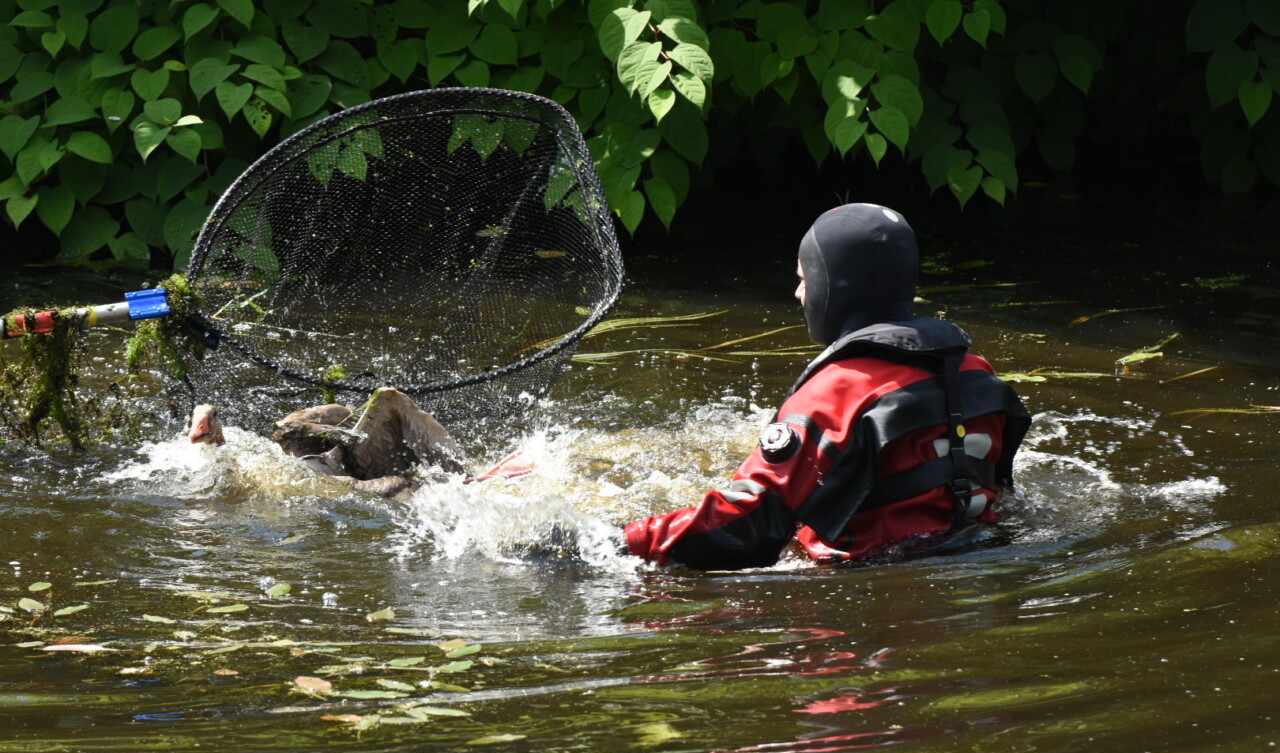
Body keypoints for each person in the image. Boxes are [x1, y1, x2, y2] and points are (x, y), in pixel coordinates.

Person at [623, 203, 1031, 570]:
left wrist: (625, 542)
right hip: (971, 554)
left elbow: (750, 528)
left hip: (867, 588)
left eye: (804, 279)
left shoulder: (837, 391)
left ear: (833, 285)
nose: (798, 292)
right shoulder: (974, 370)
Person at [188, 387, 529, 497]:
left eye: (209, 418)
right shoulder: (254, 460)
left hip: (370, 477)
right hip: (345, 474)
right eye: (201, 421)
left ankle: (470, 478)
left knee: (389, 397)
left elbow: (339, 414)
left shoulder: (288, 439)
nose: (202, 426)